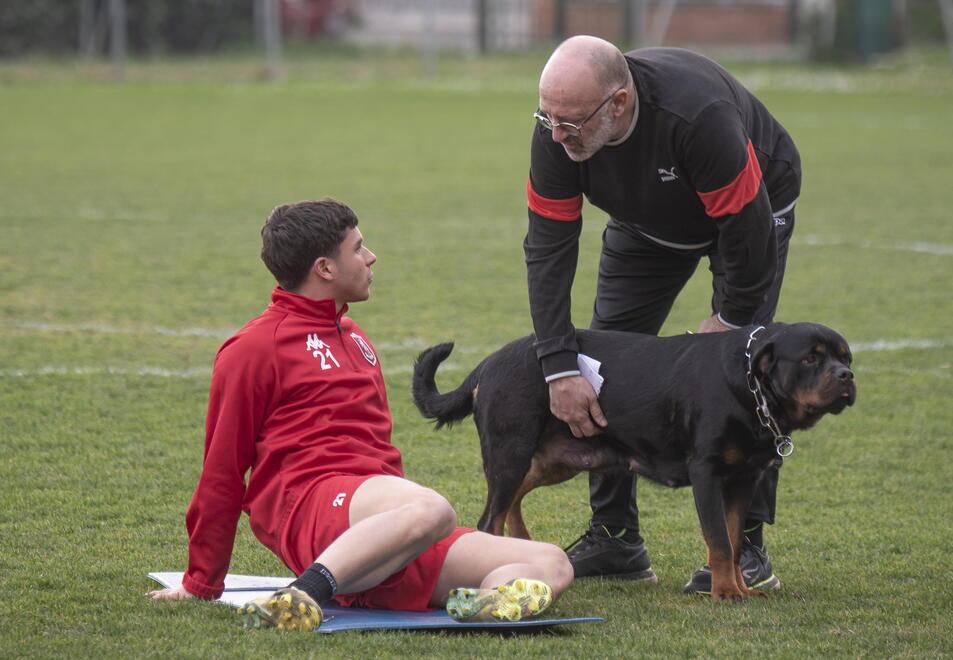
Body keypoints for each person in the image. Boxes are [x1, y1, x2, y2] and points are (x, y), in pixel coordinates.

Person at [148, 198, 573, 631]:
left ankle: (483, 601)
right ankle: (301, 595)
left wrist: (401, 526)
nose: (370, 257)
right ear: (325, 269)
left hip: (386, 525)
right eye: (357, 248)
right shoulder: (253, 348)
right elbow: (222, 470)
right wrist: (201, 581)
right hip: (313, 508)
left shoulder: (353, 336)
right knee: (435, 509)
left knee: (551, 562)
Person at [524, 36, 801, 594]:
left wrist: (731, 319)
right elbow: (548, 249)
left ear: (619, 103)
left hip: (749, 212)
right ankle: (615, 536)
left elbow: (747, 237)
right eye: (547, 117)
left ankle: (745, 546)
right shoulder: (557, 131)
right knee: (603, 361)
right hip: (643, 224)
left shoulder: (699, 118)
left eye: (570, 122)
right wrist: (558, 365)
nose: (556, 135)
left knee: (742, 371)